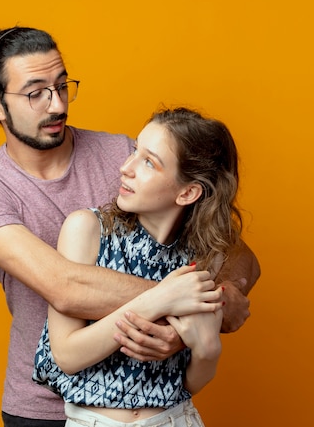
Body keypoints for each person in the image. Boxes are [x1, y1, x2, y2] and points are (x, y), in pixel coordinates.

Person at [0, 26, 260, 427]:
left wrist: (220, 298)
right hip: (41, 406)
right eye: (35, 93)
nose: (57, 104)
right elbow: (66, 286)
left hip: (156, 406)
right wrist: (198, 305)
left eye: (62, 86)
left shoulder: (123, 155)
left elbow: (238, 254)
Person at [33, 106, 241, 426]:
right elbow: (67, 356)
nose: (125, 168)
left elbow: (187, 384)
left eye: (148, 162)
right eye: (134, 152)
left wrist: (208, 350)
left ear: (187, 192)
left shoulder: (205, 255)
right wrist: (159, 298)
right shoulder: (87, 229)